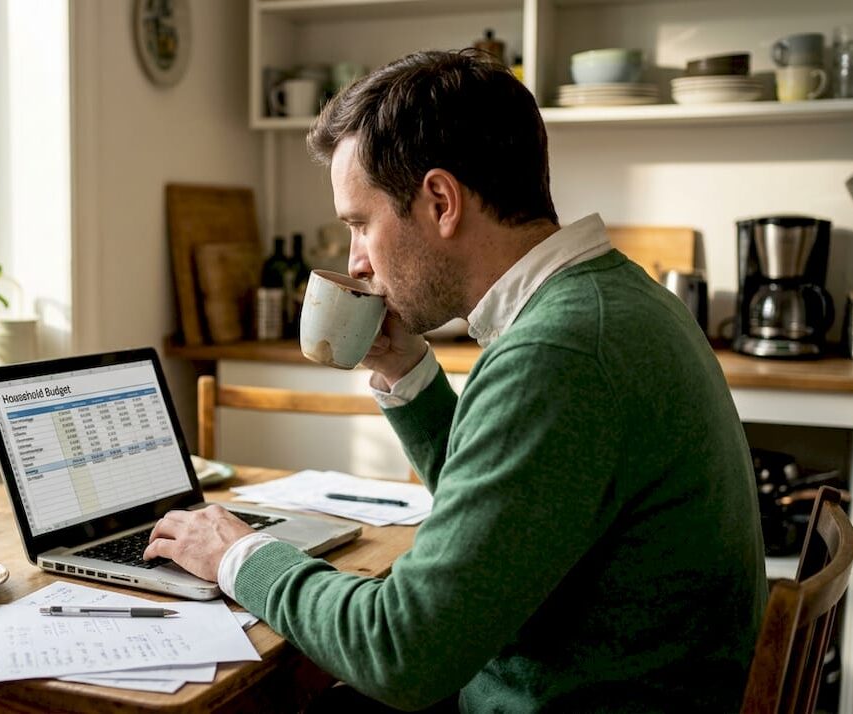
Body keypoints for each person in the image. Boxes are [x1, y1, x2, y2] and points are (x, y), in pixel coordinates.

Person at [145, 49, 766, 712]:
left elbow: (402, 651)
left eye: (360, 224)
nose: (355, 261)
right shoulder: (610, 301)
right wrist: (406, 371)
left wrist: (239, 556)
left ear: (440, 201)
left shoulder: (559, 351)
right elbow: (513, 514)